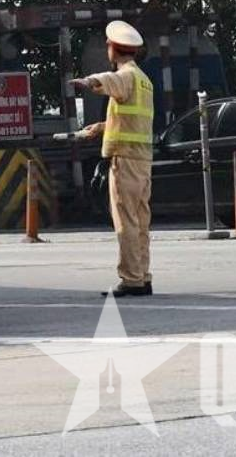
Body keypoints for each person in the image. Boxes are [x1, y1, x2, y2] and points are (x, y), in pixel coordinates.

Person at [73, 20, 156, 298]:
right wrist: (98, 129)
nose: (107, 49)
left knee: (126, 222)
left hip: (126, 161)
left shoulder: (126, 76)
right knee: (140, 221)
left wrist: (88, 82)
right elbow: (131, 121)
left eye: (108, 45)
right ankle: (143, 276)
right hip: (142, 162)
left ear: (114, 49)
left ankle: (131, 279)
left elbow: (110, 82)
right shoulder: (144, 81)